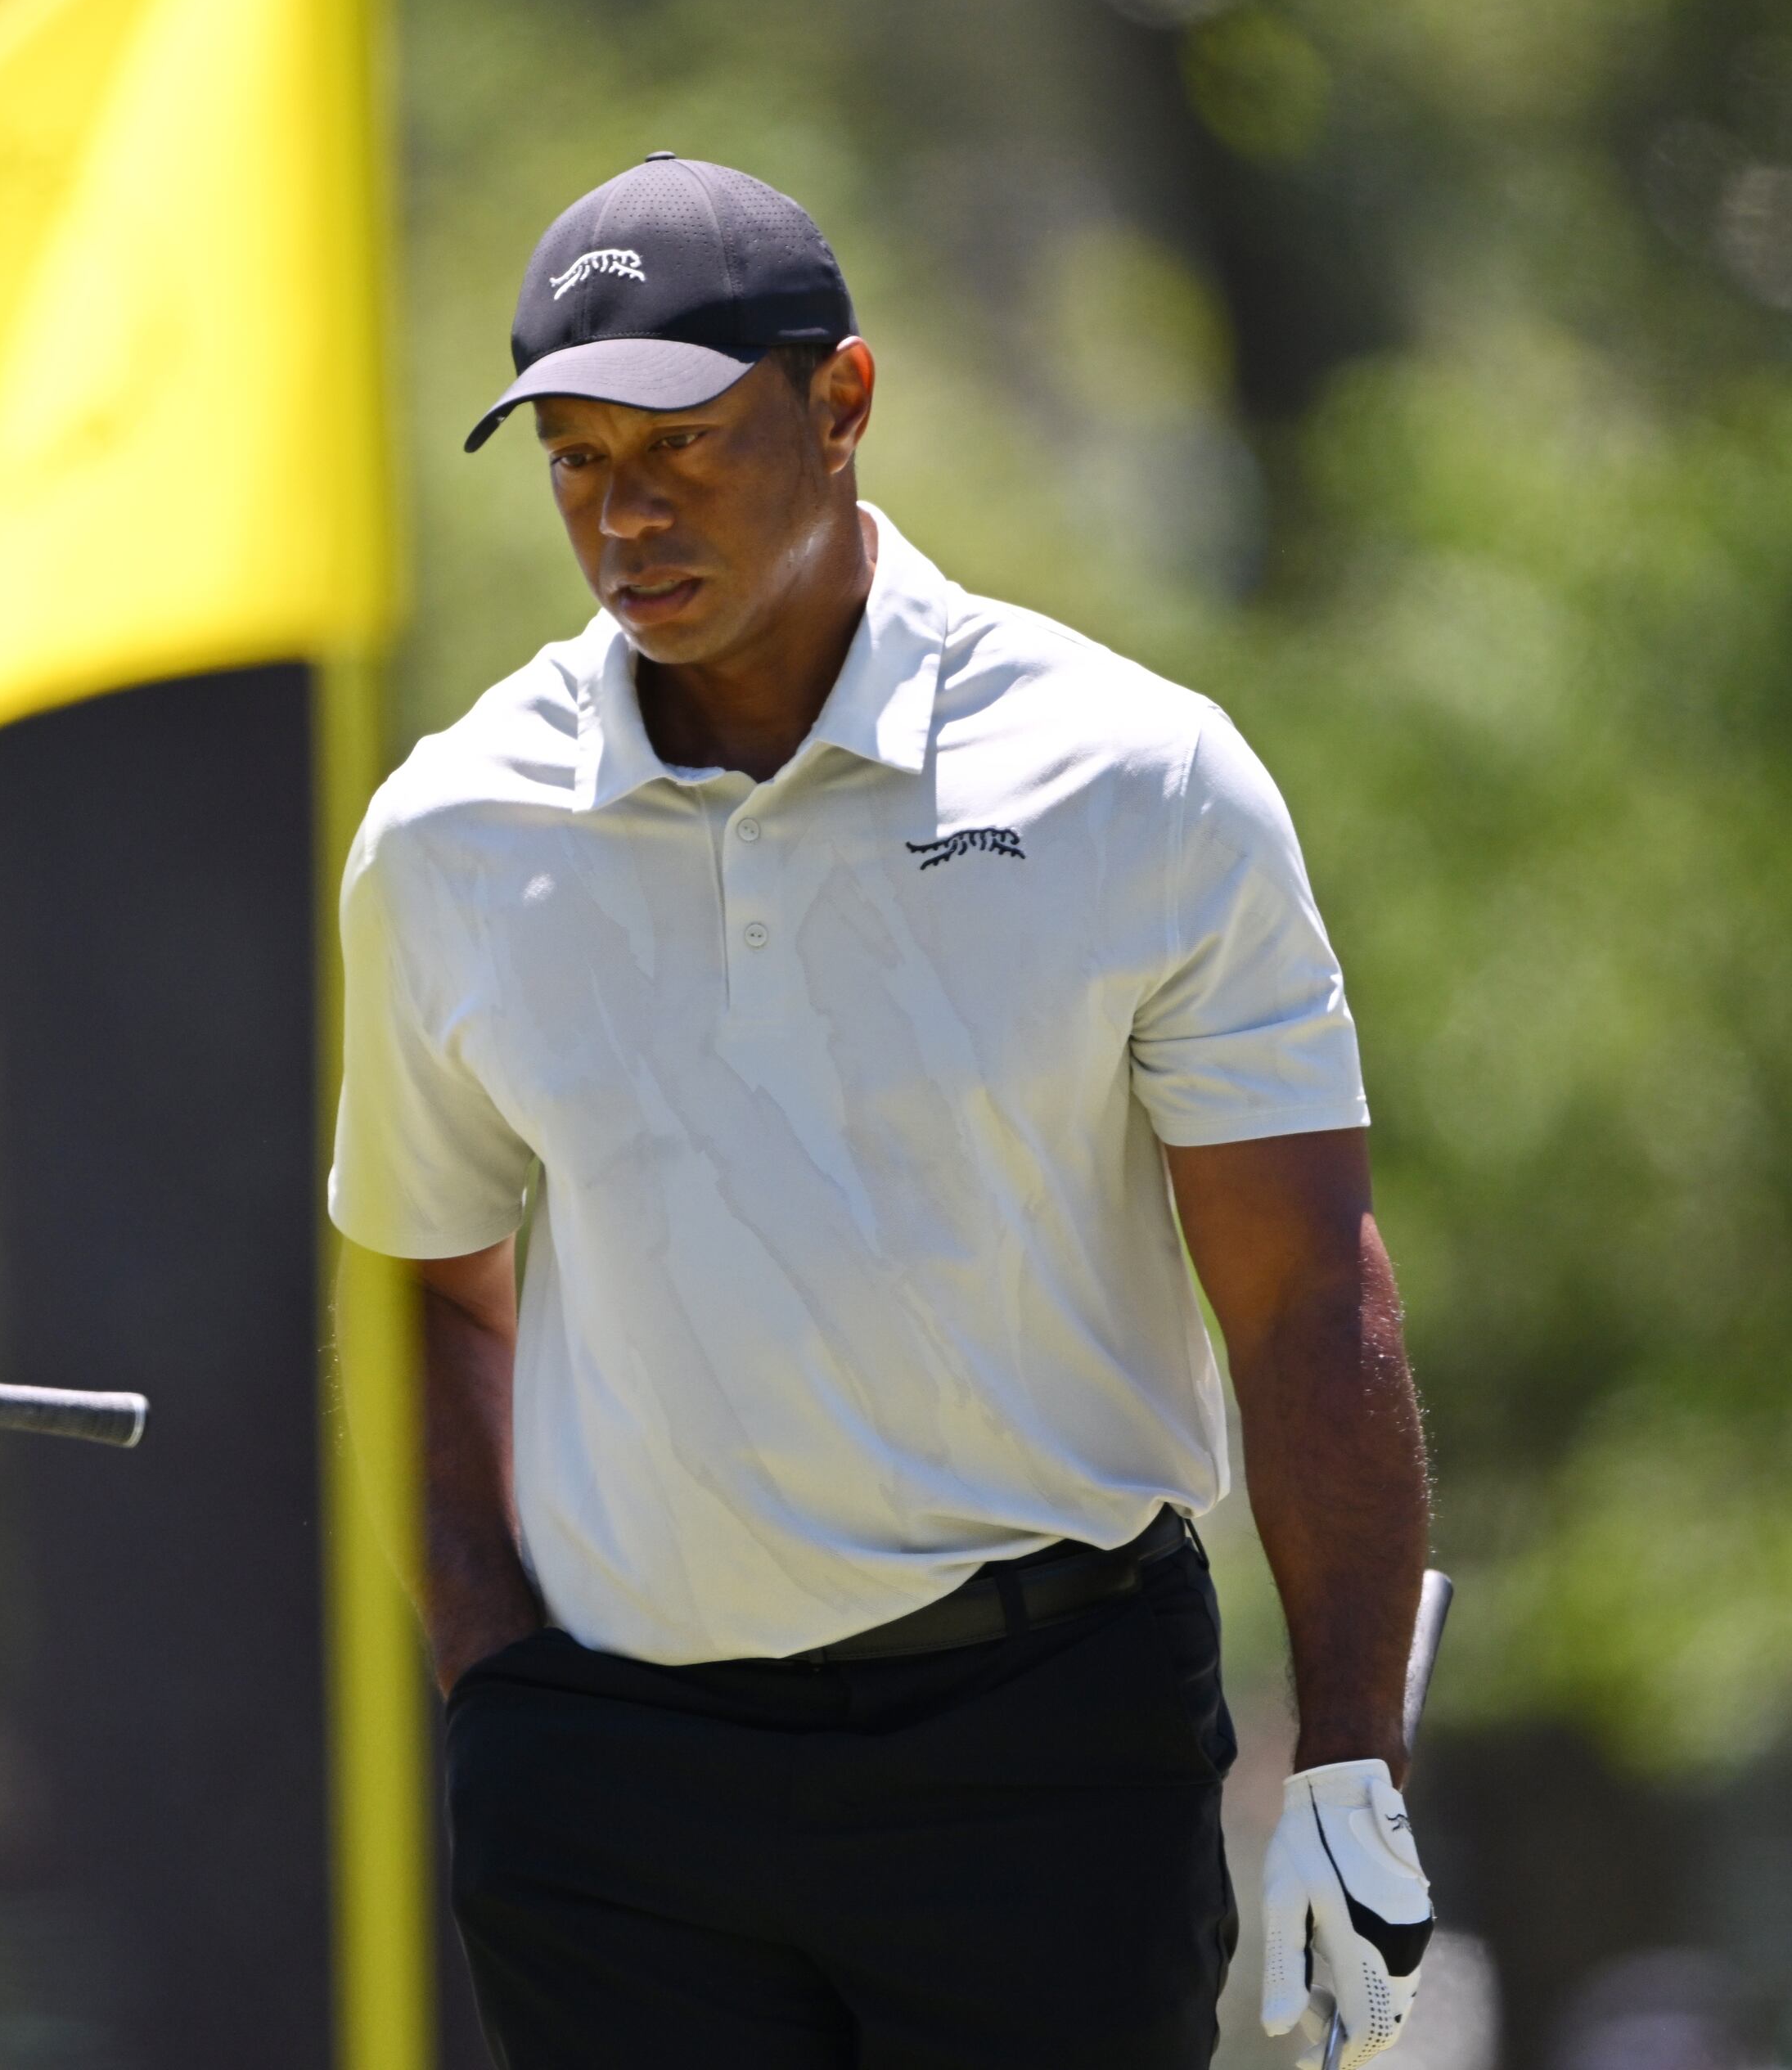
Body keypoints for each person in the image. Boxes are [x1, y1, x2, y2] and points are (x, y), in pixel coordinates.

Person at [330, 155, 1436, 2068]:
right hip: (616, 1782)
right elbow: (417, 1279)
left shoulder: (1136, 775)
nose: (623, 512)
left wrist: (1351, 1757)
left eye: (678, 439)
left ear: (841, 402)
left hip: (1046, 1756)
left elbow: (1302, 1294)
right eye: (575, 461)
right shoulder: (450, 833)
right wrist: (498, 1687)